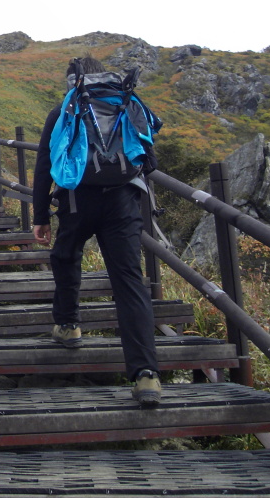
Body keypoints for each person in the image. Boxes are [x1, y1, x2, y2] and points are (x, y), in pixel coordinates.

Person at [32, 56, 161, 405]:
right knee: (129, 281)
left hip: (77, 199)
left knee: (65, 255)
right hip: (122, 202)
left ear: (73, 78)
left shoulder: (64, 110)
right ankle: (145, 374)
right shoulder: (124, 102)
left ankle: (69, 325)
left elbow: (46, 163)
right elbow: (148, 158)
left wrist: (40, 214)